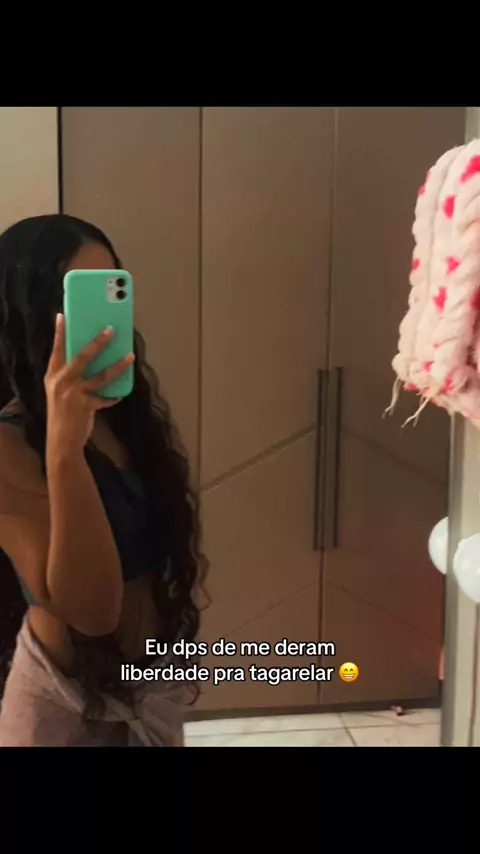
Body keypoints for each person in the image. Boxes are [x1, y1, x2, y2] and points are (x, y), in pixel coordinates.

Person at [0, 214, 208, 747]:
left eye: (110, 287)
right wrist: (64, 450)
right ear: (27, 313)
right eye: (72, 297)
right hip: (62, 715)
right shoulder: (7, 444)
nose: (100, 323)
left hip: (146, 695)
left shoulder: (124, 416)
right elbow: (91, 613)